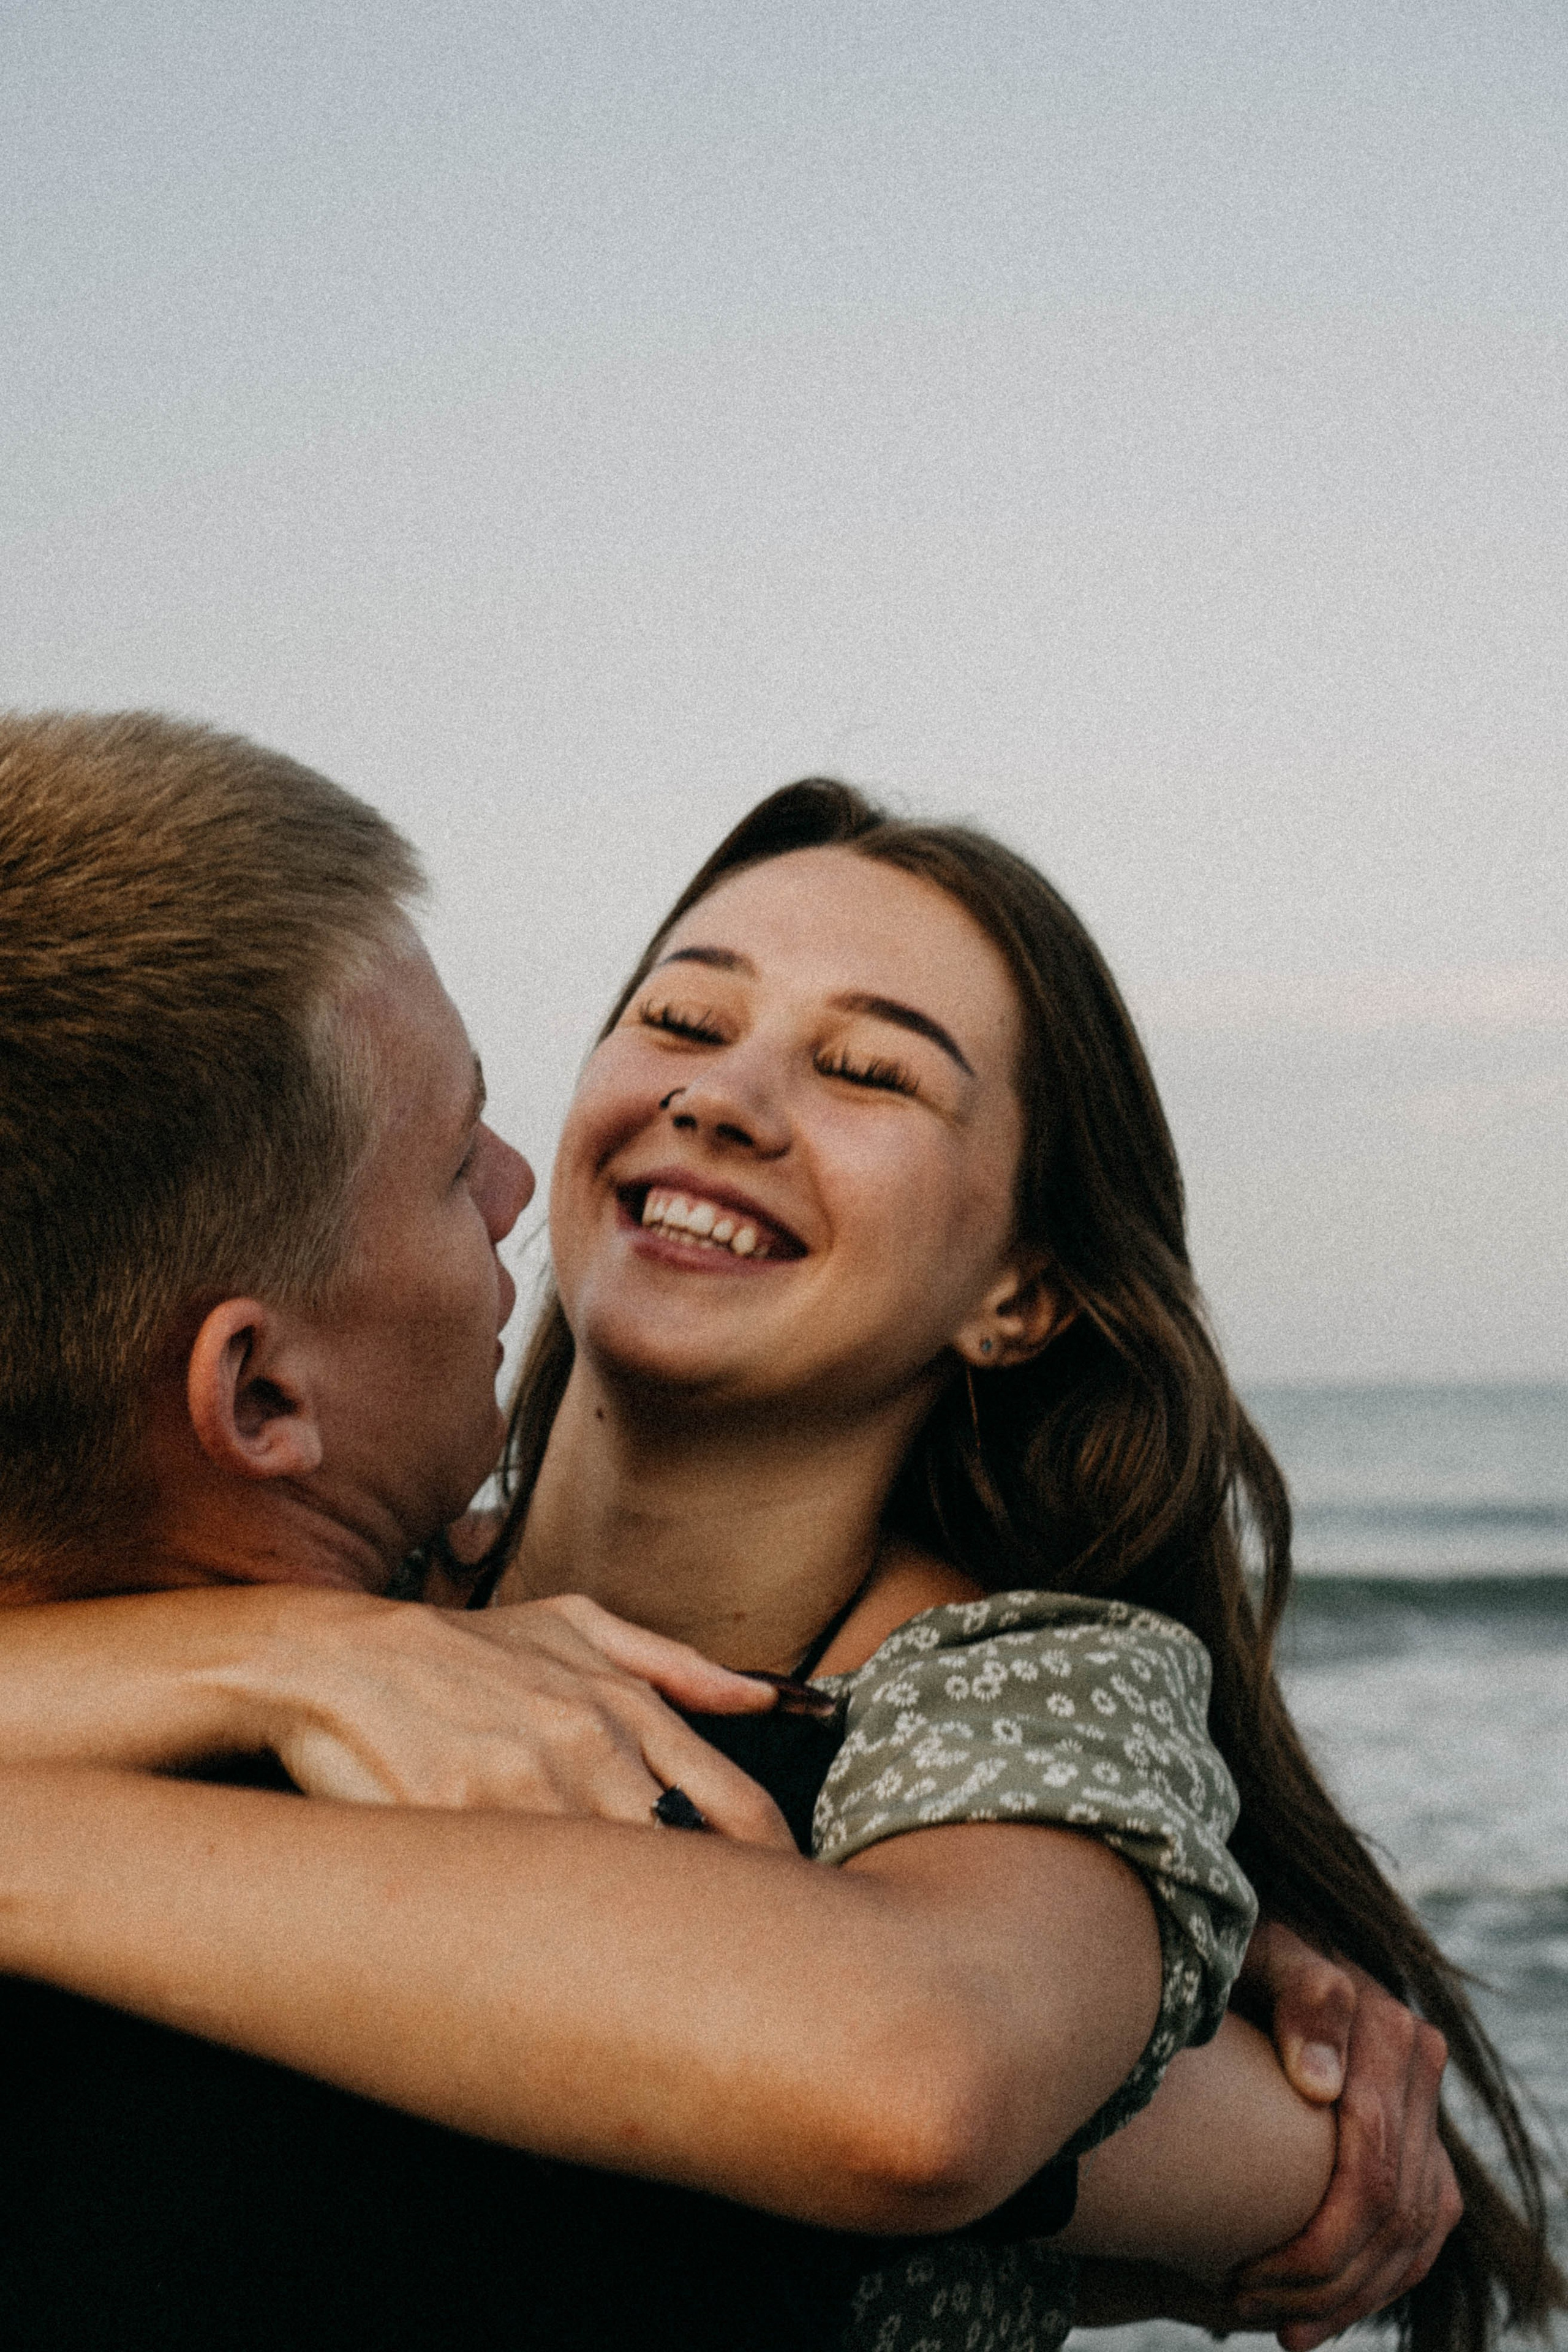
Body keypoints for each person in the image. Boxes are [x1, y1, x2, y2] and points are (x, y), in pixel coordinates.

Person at [0, 717, 1512, 2346]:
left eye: (867, 1071)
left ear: (1026, 1293)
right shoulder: (317, 1571)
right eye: (680, 1019)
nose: (722, 1098)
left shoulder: (1014, 1699)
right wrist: (284, 1652)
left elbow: (920, 2078)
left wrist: (1151, 1978)